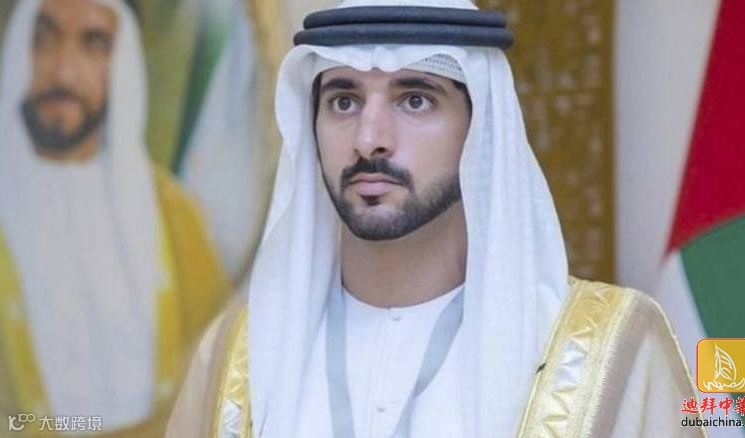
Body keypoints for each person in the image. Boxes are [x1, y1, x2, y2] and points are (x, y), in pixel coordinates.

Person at [167, 0, 704, 436]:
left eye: (415, 100)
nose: (369, 139)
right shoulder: (237, 356)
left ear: (480, 130)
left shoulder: (607, 352)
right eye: (344, 101)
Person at [0, 0, 229, 434]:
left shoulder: (175, 217)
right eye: (44, 40)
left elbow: (220, 371)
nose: (64, 72)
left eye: (94, 45)